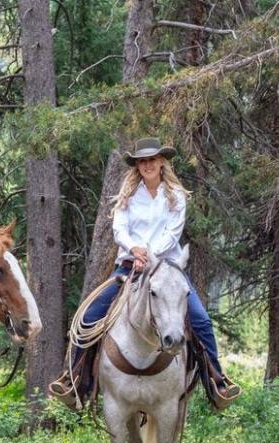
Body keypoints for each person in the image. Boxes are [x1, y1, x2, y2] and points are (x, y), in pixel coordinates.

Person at [49, 137, 240, 407]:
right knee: (90, 317)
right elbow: (119, 230)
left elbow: (172, 235)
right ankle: (76, 381)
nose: (148, 165)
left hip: (166, 268)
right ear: (137, 166)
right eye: (142, 161)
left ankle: (217, 383)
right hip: (128, 267)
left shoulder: (176, 197)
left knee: (201, 321)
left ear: (162, 162)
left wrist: (147, 255)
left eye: (152, 159)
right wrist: (134, 249)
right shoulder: (127, 196)